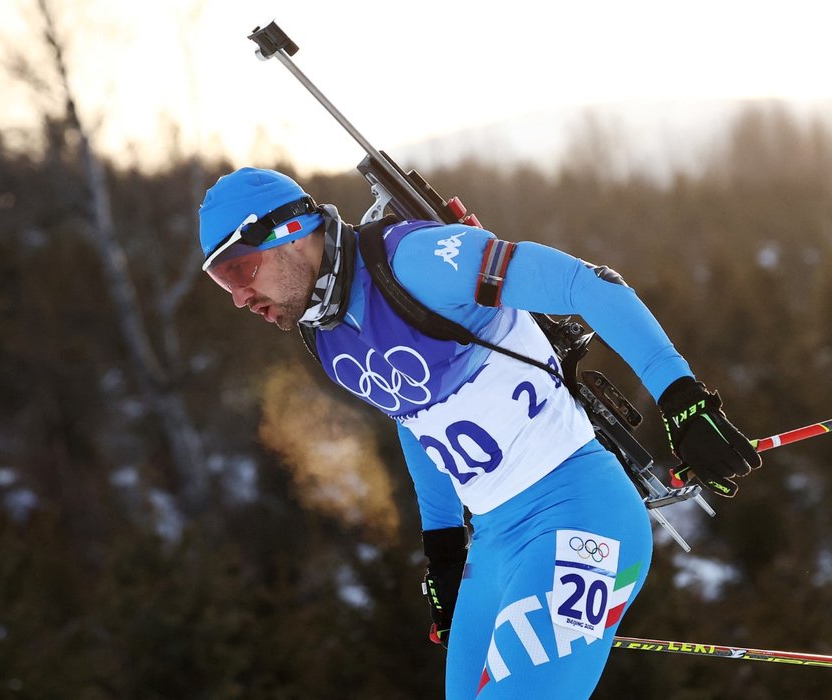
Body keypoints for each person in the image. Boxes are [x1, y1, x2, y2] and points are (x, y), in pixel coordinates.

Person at [198, 167, 761, 699]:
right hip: (494, 545)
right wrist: (442, 549)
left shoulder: (414, 260)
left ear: (292, 232)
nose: (238, 298)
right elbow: (415, 419)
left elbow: (589, 285)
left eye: (240, 270)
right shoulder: (326, 337)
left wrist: (682, 401)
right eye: (221, 280)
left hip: (580, 518)